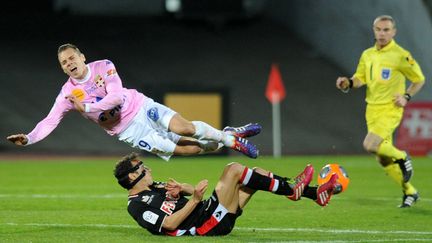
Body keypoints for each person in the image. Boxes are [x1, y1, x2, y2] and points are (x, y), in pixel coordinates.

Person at [6, 43, 261, 160]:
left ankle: (229, 140)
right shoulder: (67, 94)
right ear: (62, 69)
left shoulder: (103, 66)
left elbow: (116, 96)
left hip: (139, 107)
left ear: (82, 57)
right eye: (64, 63)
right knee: (188, 149)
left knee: (184, 128)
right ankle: (225, 134)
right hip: (127, 130)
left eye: (72, 57)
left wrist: (89, 108)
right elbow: (49, 121)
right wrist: (29, 138)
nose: (69, 63)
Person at [114, 152, 338, 236]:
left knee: (257, 173)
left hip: (208, 213)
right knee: (233, 169)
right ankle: (293, 190)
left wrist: (183, 188)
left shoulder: (155, 186)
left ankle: (313, 193)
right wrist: (194, 200)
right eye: (143, 168)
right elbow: (170, 224)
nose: (149, 169)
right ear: (133, 177)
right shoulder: (136, 206)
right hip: (205, 224)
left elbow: (194, 192)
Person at [336, 15, 425, 208]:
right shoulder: (368, 54)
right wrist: (348, 83)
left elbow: (419, 79)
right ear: (374, 30)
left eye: (386, 30)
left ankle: (402, 157)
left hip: (390, 108)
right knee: (383, 158)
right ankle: (410, 191)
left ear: (394, 32)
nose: (382, 33)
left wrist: (406, 96)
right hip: (372, 109)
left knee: (369, 144)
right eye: (378, 29)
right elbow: (360, 79)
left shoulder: (401, 55)